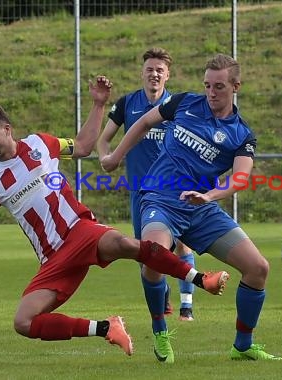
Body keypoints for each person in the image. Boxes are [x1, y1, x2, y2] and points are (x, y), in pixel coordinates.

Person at [0, 76, 230, 357]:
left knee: (126, 245)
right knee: (24, 322)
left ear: (7, 129)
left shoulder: (40, 143)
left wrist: (98, 105)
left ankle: (202, 280)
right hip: (53, 258)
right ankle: (108, 328)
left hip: (80, 229)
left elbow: (81, 146)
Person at [100, 54, 280, 362]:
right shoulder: (184, 103)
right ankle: (160, 331)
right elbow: (144, 122)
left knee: (258, 269)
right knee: (153, 257)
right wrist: (116, 155)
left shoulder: (241, 134)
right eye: (207, 85)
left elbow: (239, 178)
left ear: (236, 86)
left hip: (200, 207)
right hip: (159, 197)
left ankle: (243, 345)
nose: (211, 92)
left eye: (219, 86)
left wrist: (209, 196)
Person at [97, 47, 197, 322]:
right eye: (150, 69)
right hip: (141, 191)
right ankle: (162, 297)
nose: (154, 74)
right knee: (148, 252)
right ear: (142, 73)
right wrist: (106, 156)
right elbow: (104, 138)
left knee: (183, 245)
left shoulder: (177, 106)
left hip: (174, 188)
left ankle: (186, 307)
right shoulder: (127, 104)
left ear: (168, 75)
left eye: (160, 70)